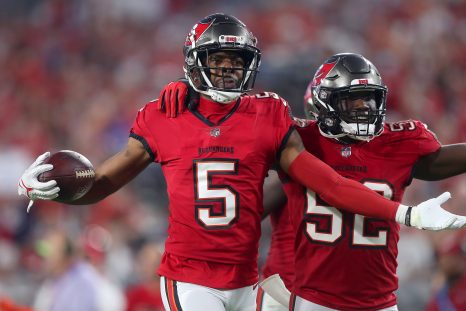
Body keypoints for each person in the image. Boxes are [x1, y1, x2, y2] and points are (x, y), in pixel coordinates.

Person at [18, 14, 465, 311]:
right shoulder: (164, 112)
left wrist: (404, 213)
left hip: (247, 279)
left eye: (239, 62)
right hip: (190, 276)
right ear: (195, 63)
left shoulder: (268, 114)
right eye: (220, 61)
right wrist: (58, 189)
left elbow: (326, 182)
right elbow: (102, 182)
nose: (230, 71)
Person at [158, 53, 466, 310]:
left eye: (368, 99)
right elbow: (233, 127)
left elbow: (438, 160)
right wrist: (195, 95)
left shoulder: (399, 144)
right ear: (324, 105)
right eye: (351, 100)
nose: (363, 109)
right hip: (310, 297)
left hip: (380, 300)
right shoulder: (302, 141)